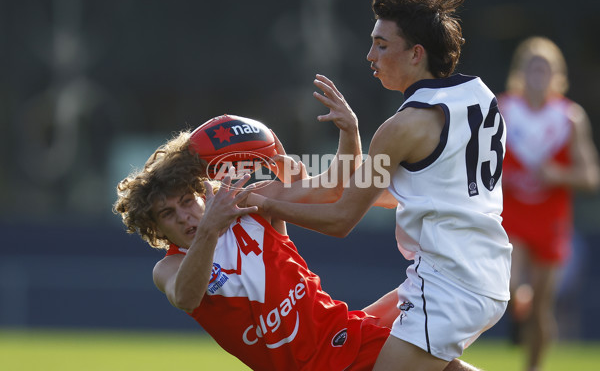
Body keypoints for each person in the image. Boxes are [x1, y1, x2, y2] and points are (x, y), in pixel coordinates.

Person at [246, 0, 511, 371]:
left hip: (449, 282)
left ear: (416, 53)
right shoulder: (480, 97)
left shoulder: (401, 128)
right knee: (353, 340)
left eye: (382, 45)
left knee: (356, 360)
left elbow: (341, 219)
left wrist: (261, 203)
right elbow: (377, 190)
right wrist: (350, 133)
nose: (370, 55)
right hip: (483, 274)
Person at [112, 101, 479, 370]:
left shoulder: (251, 204)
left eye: (186, 201)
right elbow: (187, 298)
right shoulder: (171, 267)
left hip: (340, 340)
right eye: (167, 214)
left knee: (446, 364)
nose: (184, 216)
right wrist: (209, 229)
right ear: (154, 228)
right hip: (315, 362)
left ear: (200, 191)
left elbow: (335, 187)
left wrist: (348, 133)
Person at [498, 36, 600, 371]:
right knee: (509, 283)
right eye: (532, 67)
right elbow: (477, 163)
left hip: (551, 217)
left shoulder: (570, 118)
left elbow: (590, 176)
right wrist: (503, 177)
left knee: (543, 307)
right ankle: (517, 304)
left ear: (558, 74)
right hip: (512, 212)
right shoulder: (502, 109)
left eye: (545, 68)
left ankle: (533, 367)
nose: (538, 75)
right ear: (520, 72)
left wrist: (556, 174)